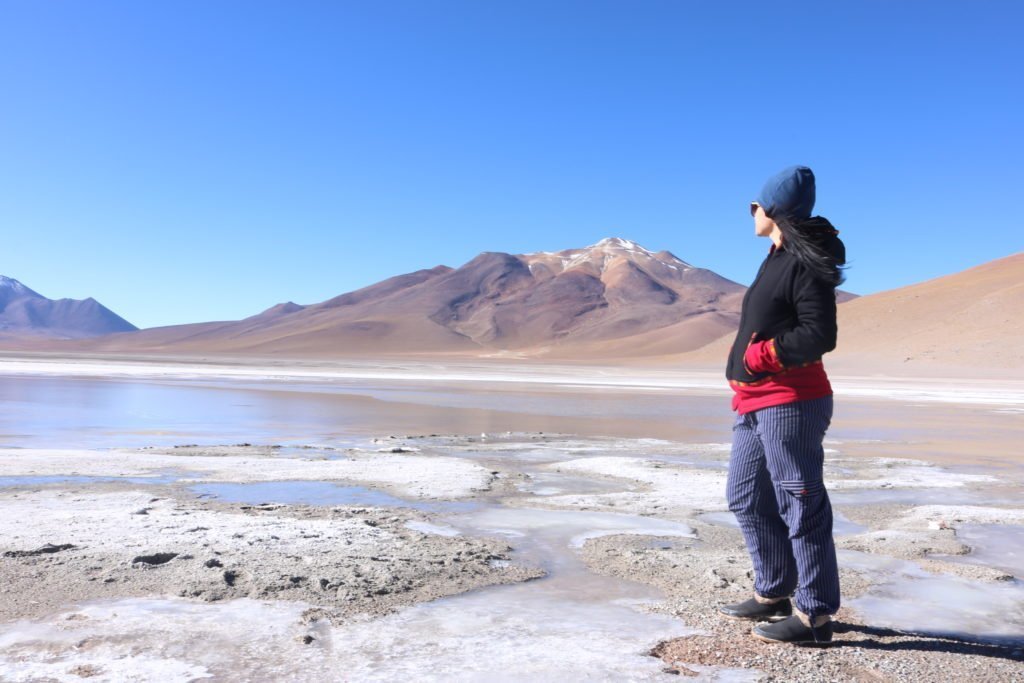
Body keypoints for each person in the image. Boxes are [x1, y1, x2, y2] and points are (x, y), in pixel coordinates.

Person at [718, 165, 847, 645]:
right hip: (754, 402)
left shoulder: (803, 261)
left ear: (771, 209)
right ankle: (774, 591)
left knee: (800, 501)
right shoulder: (777, 256)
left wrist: (761, 356)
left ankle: (815, 616)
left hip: (791, 401)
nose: (750, 212)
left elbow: (820, 333)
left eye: (754, 204)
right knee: (746, 495)